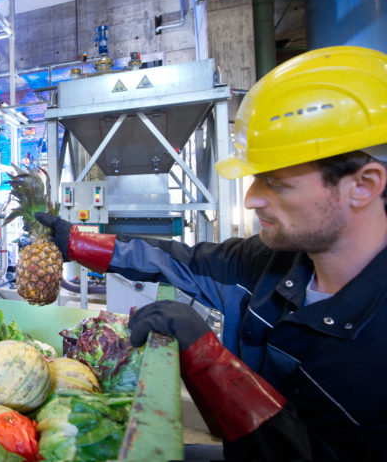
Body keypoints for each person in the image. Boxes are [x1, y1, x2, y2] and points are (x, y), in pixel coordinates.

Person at [36, 45, 387, 460]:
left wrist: (208, 359)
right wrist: (78, 243)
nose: (252, 198)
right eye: (256, 179)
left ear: (363, 186)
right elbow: (182, 261)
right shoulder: (275, 264)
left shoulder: (375, 342)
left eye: (275, 182)